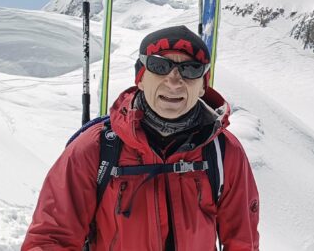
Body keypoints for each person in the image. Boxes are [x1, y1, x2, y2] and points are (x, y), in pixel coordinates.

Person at [22, 25, 260, 250]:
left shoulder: (223, 151)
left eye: (190, 70)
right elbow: (52, 236)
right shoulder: (97, 148)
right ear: (140, 78)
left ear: (202, 86)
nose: (174, 81)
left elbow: (242, 241)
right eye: (159, 66)